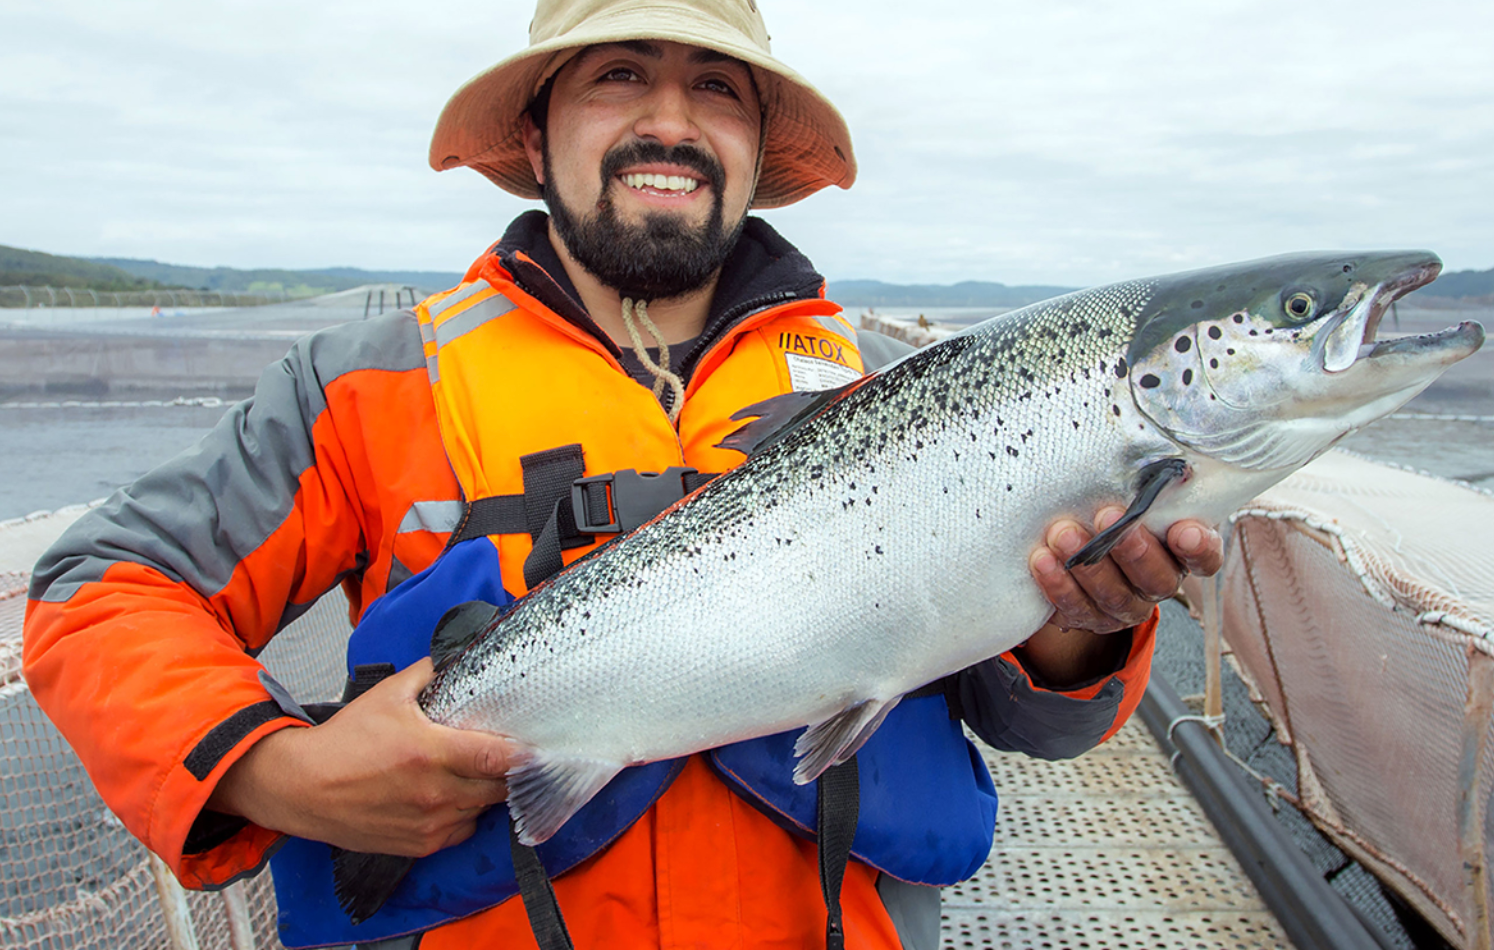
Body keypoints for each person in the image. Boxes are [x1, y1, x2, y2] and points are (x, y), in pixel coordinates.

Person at [23, 1, 1222, 948]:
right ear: (536, 133)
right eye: (618, 75)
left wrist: (1087, 629)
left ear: (758, 149)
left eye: (716, 87)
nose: (671, 120)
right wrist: (278, 768)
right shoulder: (367, 383)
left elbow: (1032, 715)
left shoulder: (900, 383)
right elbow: (97, 590)